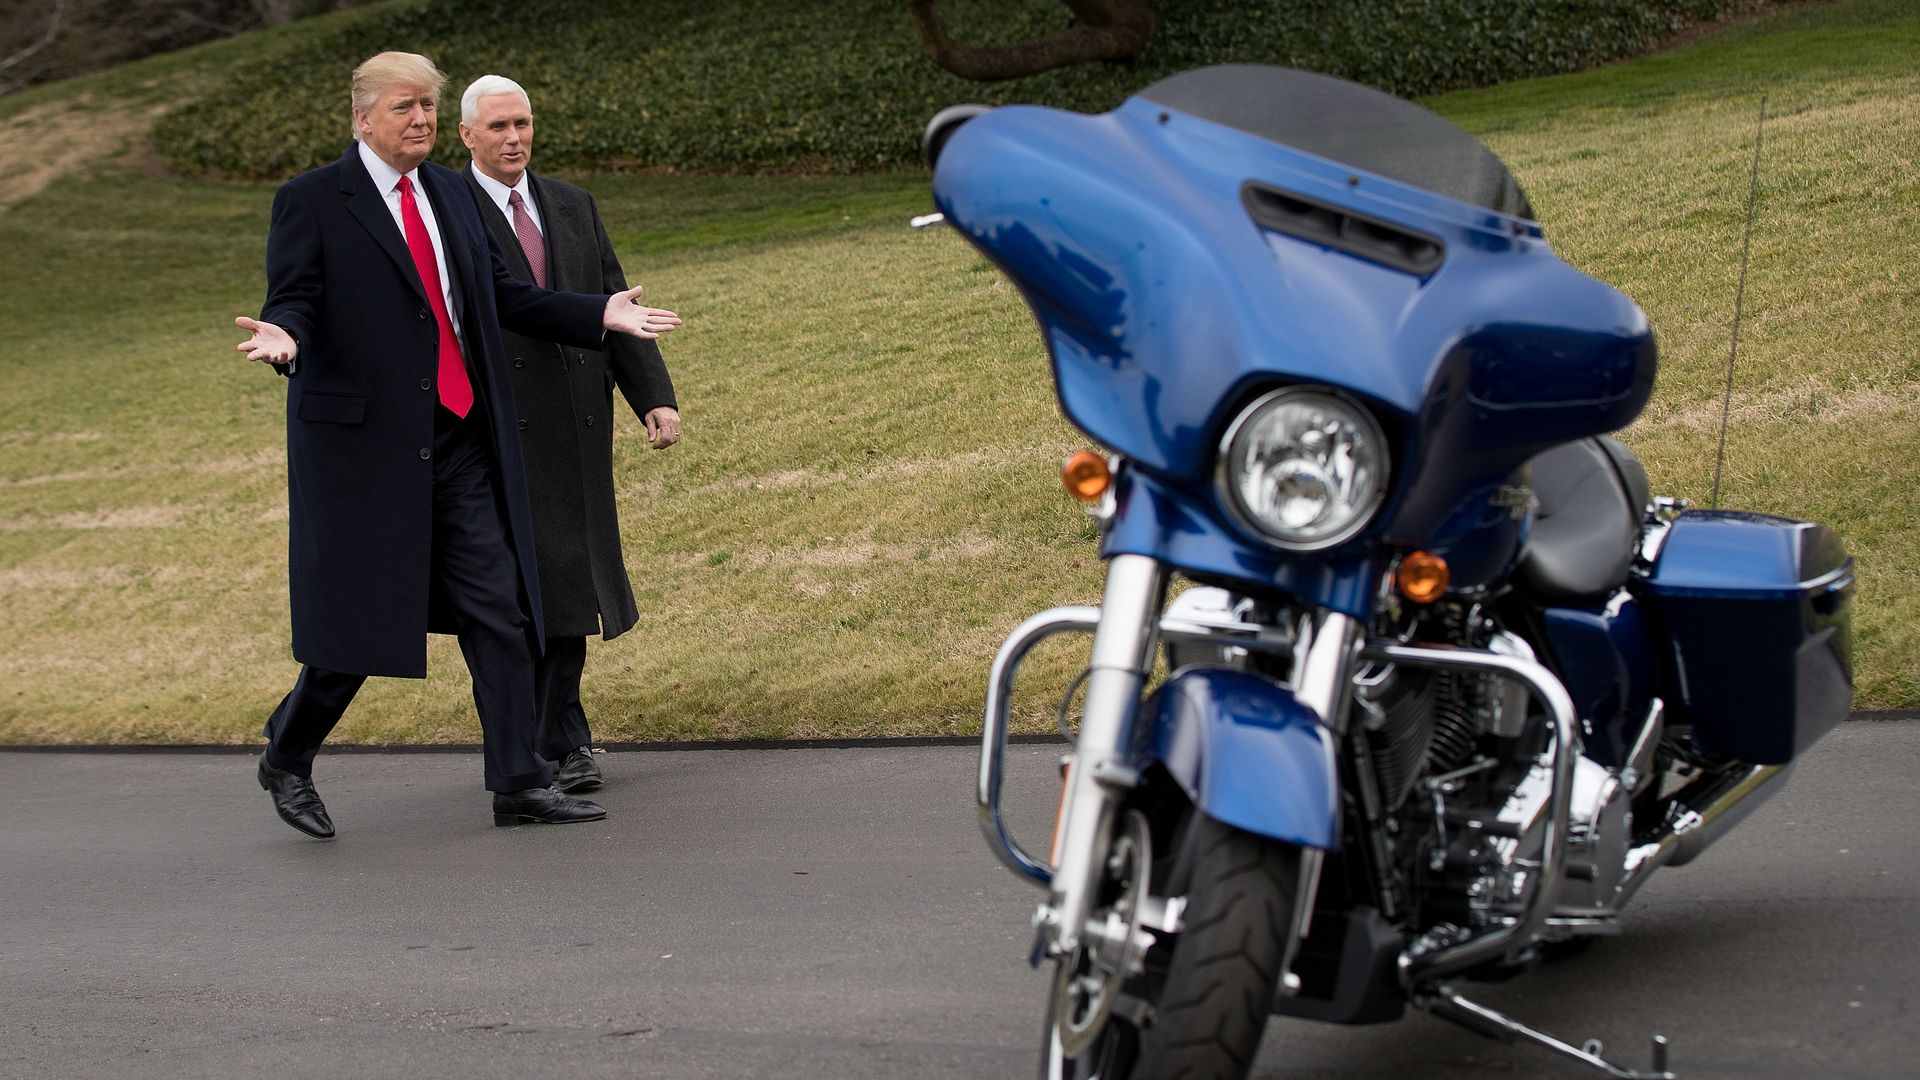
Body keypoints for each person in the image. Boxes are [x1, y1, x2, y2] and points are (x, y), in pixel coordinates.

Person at [232, 51, 681, 838]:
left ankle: (519, 783)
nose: (421, 121)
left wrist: (594, 316)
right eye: (404, 107)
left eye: (429, 108)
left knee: (500, 610)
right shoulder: (313, 200)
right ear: (362, 117)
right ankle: (289, 754)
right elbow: (294, 299)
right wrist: (286, 342)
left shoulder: (447, 193)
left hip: (460, 439)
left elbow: (502, 295)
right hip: (368, 454)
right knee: (357, 635)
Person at [456, 74, 680, 794]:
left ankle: (560, 740)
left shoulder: (573, 205)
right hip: (495, 432)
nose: (514, 137)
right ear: (467, 136)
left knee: (571, 589)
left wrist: (653, 396)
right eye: (497, 127)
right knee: (520, 597)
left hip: (576, 424)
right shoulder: (447, 210)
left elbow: (616, 301)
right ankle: (543, 742)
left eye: (522, 123)